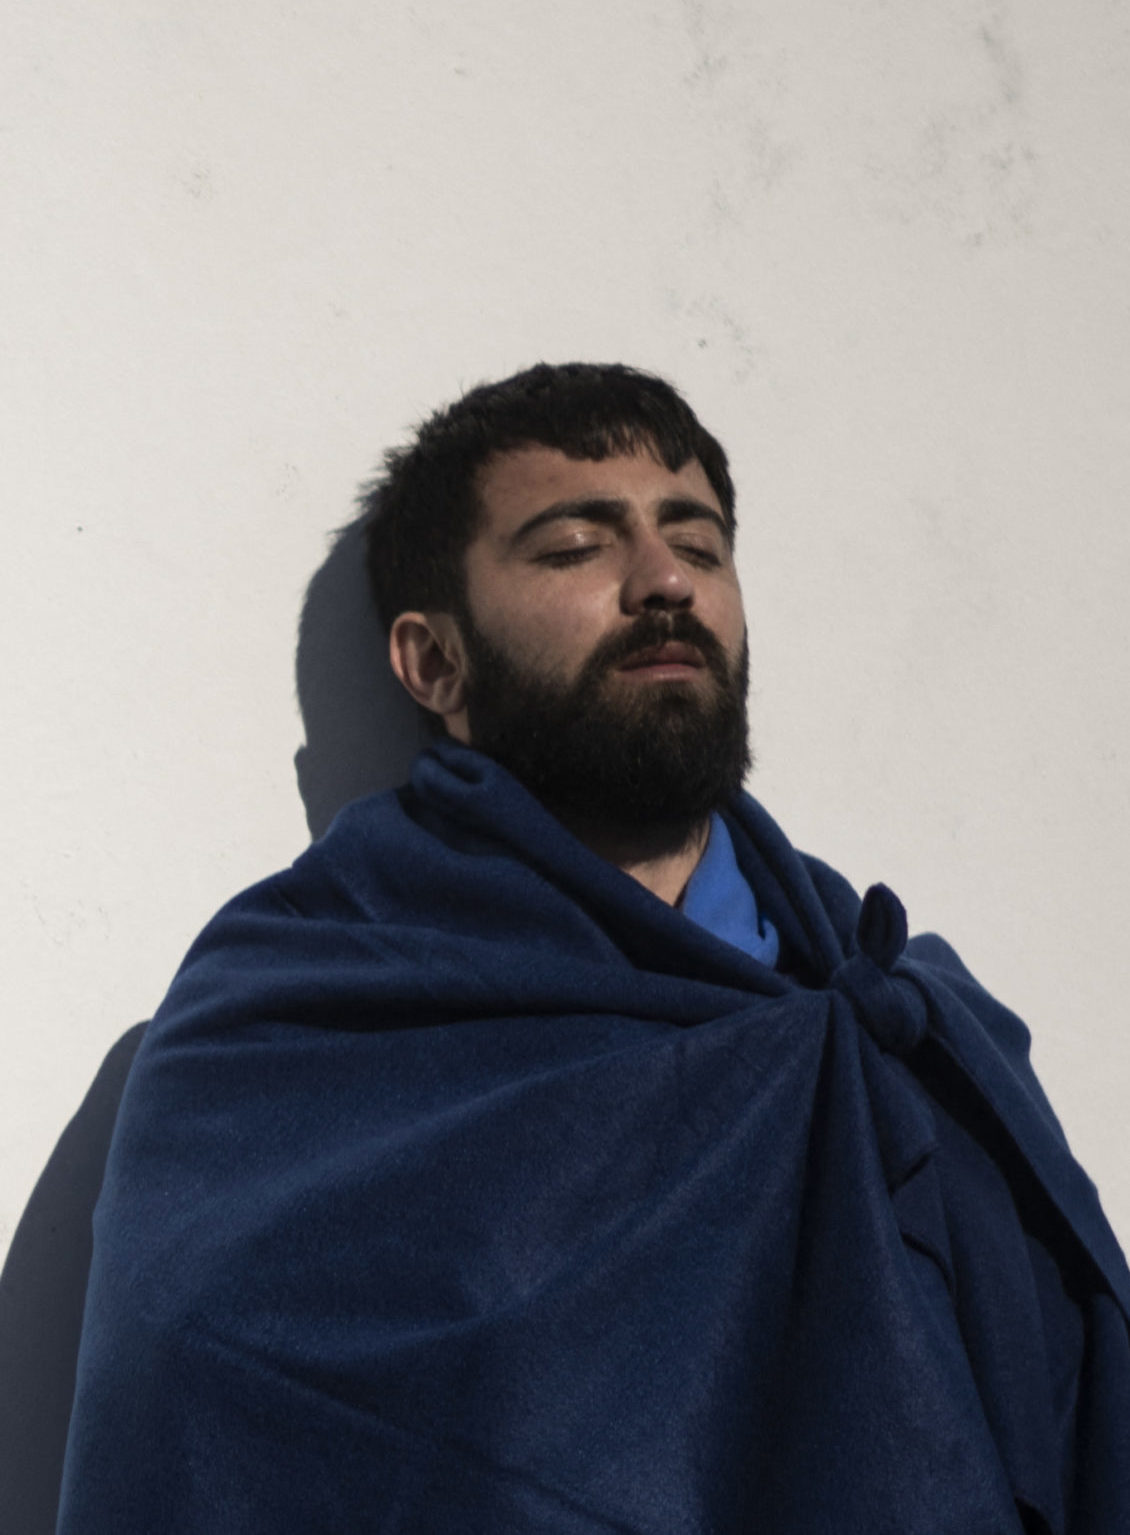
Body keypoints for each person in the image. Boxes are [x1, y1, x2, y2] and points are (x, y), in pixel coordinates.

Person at [59, 364, 1128, 1531]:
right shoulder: (303, 1012)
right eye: (574, 546)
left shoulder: (905, 1031)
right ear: (434, 662)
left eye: (699, 544)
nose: (665, 581)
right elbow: (196, 1396)